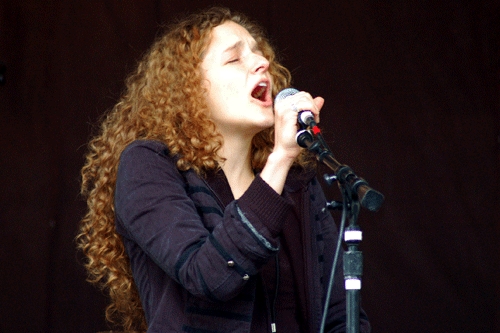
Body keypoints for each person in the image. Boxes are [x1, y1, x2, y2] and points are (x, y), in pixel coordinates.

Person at [77, 6, 371, 333]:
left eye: (260, 55)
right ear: (188, 90)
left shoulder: (296, 183)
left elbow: (338, 313)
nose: (263, 63)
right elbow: (209, 275)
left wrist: (281, 164)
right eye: (234, 59)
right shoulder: (148, 164)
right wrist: (280, 158)